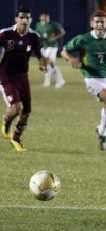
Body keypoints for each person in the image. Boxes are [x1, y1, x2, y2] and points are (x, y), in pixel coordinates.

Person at [61, 11, 106, 151]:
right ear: (92, 24)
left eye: (102, 22)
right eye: (96, 22)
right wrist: (71, 59)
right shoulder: (83, 39)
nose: (99, 24)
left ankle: (102, 132)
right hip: (92, 78)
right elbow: (64, 51)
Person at [0, 6, 47, 151]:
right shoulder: (5, 34)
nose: (24, 20)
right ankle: (6, 122)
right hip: (5, 76)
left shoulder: (34, 36)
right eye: (21, 17)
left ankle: (16, 138)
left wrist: (42, 64)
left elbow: (39, 54)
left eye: (27, 18)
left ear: (31, 19)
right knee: (16, 107)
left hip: (22, 77)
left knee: (26, 111)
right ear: (16, 19)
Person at [35, 11, 65, 88]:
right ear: (40, 17)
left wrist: (54, 38)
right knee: (47, 64)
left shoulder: (53, 24)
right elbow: (37, 35)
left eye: (46, 16)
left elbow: (62, 32)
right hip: (44, 47)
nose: (45, 18)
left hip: (53, 46)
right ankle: (51, 81)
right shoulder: (38, 25)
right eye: (43, 16)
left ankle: (59, 81)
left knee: (50, 63)